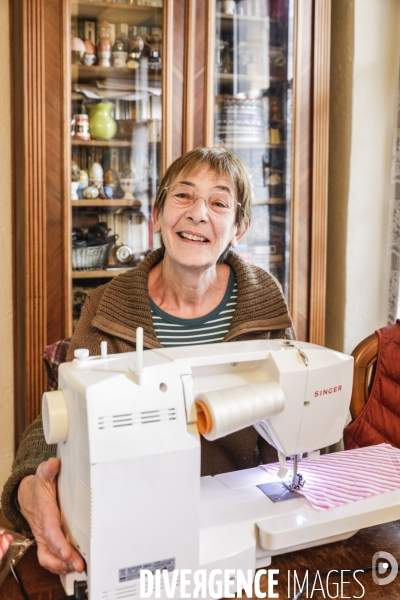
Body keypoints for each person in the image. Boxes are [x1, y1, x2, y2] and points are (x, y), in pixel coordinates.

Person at [1, 147, 294, 575]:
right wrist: (29, 485)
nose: (197, 214)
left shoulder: (262, 302)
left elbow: (293, 421)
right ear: (157, 215)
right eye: (183, 196)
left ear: (239, 228)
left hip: (241, 533)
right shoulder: (108, 306)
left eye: (218, 202)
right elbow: (59, 419)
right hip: (134, 531)